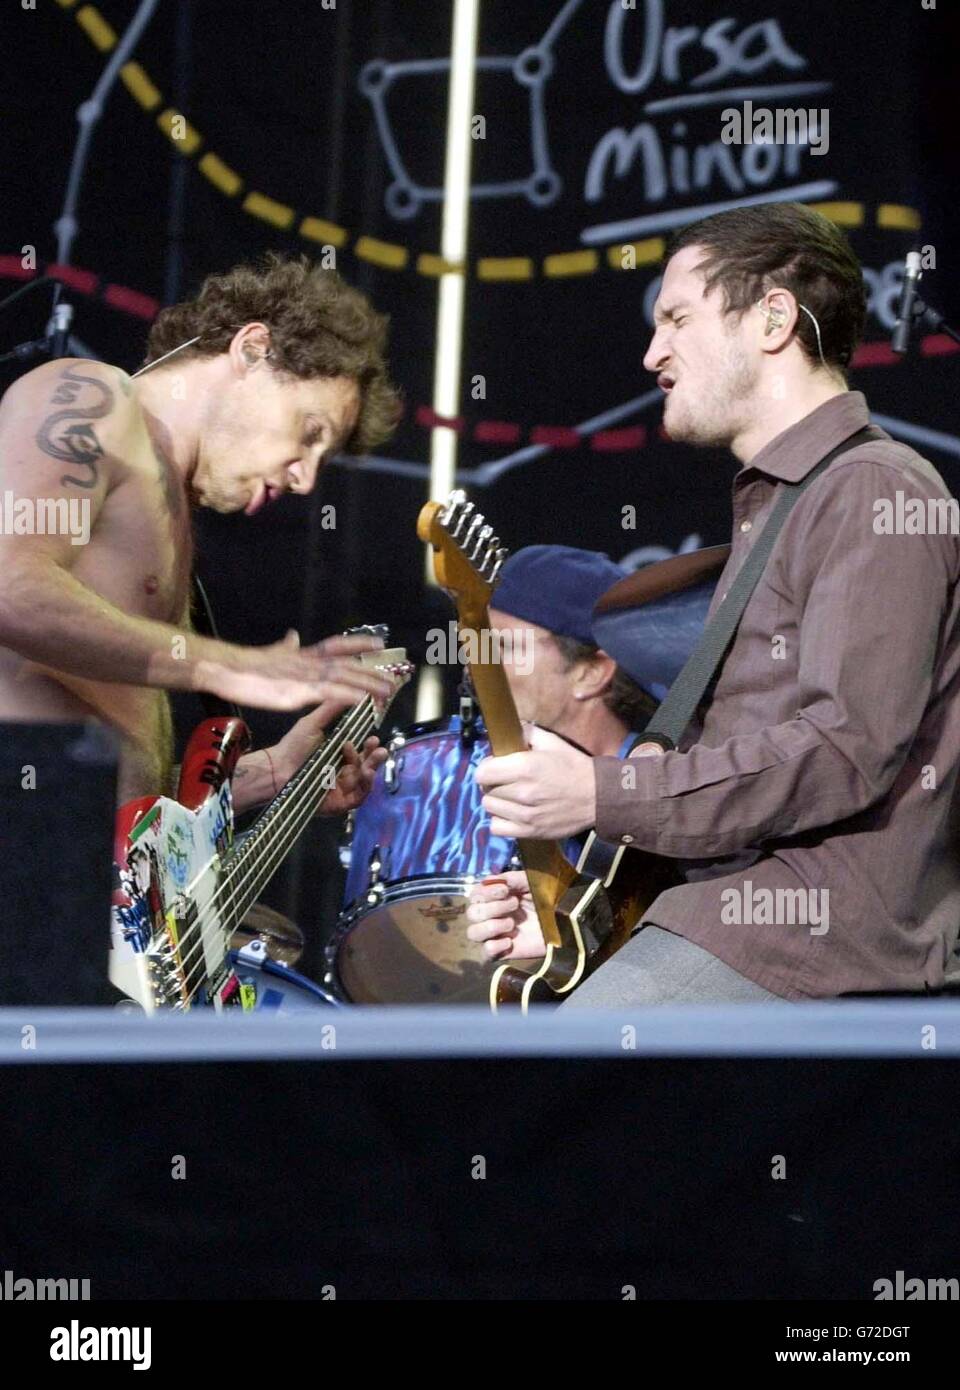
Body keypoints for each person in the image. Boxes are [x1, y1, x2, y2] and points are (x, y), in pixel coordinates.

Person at [468, 202, 960, 1004]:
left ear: (772, 319)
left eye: (677, 318)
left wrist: (600, 792)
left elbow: (841, 753)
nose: (653, 350)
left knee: (537, 1098)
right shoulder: (786, 506)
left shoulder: (873, 488)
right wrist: (586, 921)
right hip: (728, 921)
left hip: (810, 941)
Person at [0, 254, 401, 816]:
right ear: (252, 350)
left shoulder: (170, 516)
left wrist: (274, 773)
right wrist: (229, 665)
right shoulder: (94, 398)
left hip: (87, 871)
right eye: (310, 433)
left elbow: (130, 793)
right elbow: (9, 587)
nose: (305, 478)